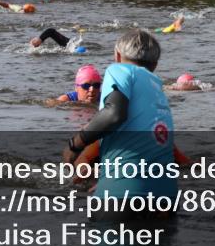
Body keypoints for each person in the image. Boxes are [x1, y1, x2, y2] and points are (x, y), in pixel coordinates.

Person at [62, 29, 178, 213]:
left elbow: (113, 114)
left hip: (123, 196)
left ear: (117, 55)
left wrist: (74, 145)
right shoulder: (157, 88)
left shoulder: (119, 69)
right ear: (155, 65)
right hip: (167, 198)